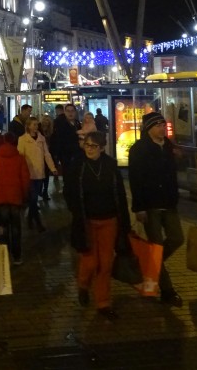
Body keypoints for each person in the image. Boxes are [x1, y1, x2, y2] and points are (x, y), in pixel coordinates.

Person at [63, 132, 131, 321]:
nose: (90, 149)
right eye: (87, 145)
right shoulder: (78, 166)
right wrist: (75, 211)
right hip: (87, 221)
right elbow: (69, 192)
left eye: (94, 146)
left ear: (102, 147)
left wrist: (125, 222)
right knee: (90, 261)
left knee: (106, 263)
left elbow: (120, 194)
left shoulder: (109, 165)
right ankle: (83, 285)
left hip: (110, 220)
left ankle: (103, 302)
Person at [128, 112, 185, 307]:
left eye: (163, 124)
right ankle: (168, 291)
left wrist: (180, 157)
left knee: (177, 238)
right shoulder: (139, 149)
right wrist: (139, 207)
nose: (163, 128)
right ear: (149, 128)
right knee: (156, 246)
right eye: (159, 125)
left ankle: (151, 264)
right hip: (150, 205)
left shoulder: (168, 147)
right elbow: (135, 180)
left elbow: (179, 171)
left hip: (168, 202)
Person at [0, 133, 30, 265]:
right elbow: (25, 180)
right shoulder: (20, 158)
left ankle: (4, 255)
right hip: (15, 197)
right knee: (16, 228)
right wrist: (24, 196)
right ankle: (17, 256)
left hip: (0, 198)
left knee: (3, 228)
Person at [17, 117, 59, 232]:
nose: (36, 126)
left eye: (36, 124)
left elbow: (47, 154)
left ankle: (30, 219)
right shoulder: (22, 139)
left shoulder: (41, 139)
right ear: (28, 126)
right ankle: (37, 222)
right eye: (33, 124)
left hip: (39, 172)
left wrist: (52, 168)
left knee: (33, 199)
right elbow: (20, 156)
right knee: (33, 198)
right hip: (29, 173)